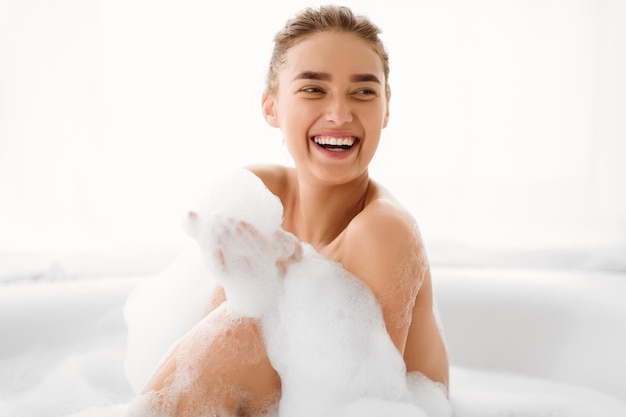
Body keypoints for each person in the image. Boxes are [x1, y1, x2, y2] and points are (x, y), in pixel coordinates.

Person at [136, 5, 448, 416]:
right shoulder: (258, 194)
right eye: (314, 89)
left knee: (237, 338)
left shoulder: (383, 231)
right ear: (271, 107)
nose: (339, 113)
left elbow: (362, 400)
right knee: (233, 331)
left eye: (364, 91)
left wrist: (287, 278)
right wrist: (249, 285)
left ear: (386, 108)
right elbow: (198, 345)